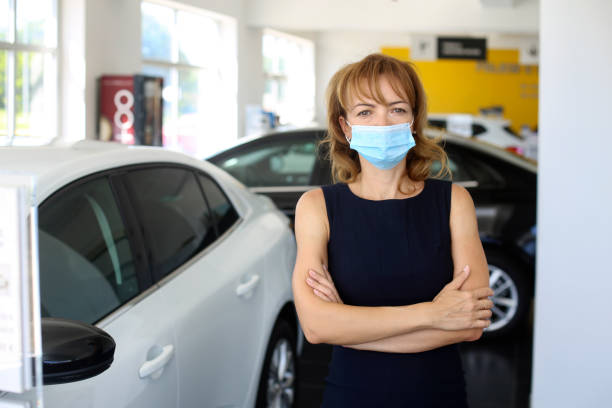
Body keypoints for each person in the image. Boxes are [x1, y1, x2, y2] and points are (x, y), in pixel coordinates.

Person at [292, 53, 494, 407]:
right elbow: (316, 327)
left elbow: (469, 324)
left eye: (397, 109)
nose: (383, 122)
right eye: (366, 111)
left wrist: (349, 326)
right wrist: (433, 314)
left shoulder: (453, 202)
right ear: (345, 127)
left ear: (414, 121)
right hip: (351, 397)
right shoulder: (316, 207)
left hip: (438, 396)